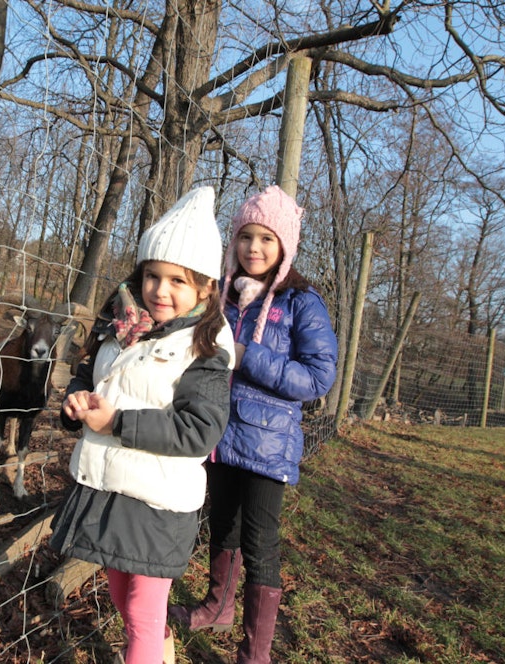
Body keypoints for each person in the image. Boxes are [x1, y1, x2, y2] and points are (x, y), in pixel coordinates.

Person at [49, 186, 236, 664]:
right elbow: (90, 382)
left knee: (141, 612)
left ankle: (153, 648)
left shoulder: (205, 350)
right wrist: (77, 406)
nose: (160, 290)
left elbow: (199, 430)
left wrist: (117, 423)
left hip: (160, 502)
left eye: (178, 280)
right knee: (119, 594)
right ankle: (163, 651)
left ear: (205, 288)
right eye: (153, 275)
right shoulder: (118, 328)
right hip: (108, 488)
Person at [167, 185, 338, 663]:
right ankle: (216, 607)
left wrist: (247, 356)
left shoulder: (303, 302)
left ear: (284, 246)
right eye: (245, 236)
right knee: (221, 526)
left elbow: (319, 376)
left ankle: (255, 653)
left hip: (268, 445)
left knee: (260, 542)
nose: (253, 248)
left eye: (266, 239)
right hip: (219, 434)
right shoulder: (222, 298)